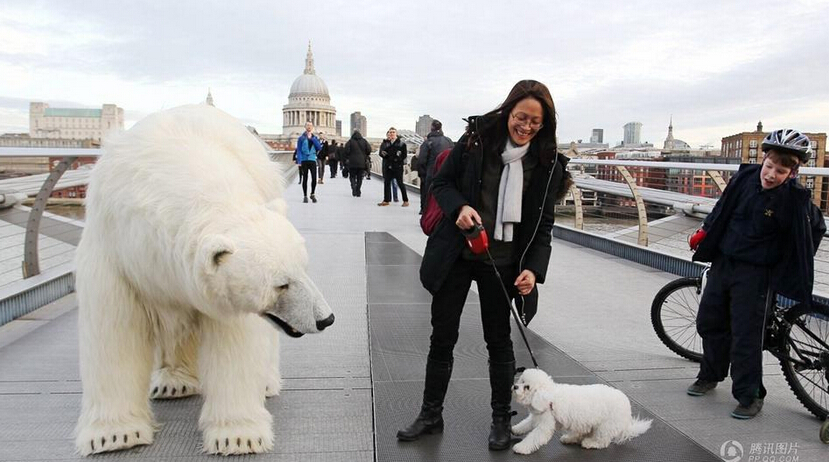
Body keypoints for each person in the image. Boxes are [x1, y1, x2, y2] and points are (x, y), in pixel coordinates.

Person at [396, 80, 573, 450]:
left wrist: (533, 270)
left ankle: (500, 419)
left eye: (535, 123)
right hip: (457, 254)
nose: (525, 127)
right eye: (521, 117)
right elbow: (440, 184)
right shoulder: (476, 140)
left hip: (504, 261)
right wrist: (459, 207)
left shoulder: (547, 163)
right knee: (442, 337)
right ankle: (431, 413)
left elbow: (543, 224)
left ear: (546, 125)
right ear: (508, 110)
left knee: (499, 342)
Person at [687, 129, 825, 419]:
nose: (771, 175)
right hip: (725, 262)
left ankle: (750, 396)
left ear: (793, 172)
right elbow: (722, 209)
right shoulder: (745, 178)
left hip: (756, 274)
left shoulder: (795, 200)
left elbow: (814, 230)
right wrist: (705, 231)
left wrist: (787, 266)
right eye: (770, 166)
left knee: (745, 336)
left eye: (781, 171)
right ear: (763, 160)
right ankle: (710, 374)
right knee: (709, 322)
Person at [417, 119, 454, 213]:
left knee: (427, 194)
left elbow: (422, 160)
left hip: (430, 173)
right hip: (446, 173)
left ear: (431, 128)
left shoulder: (428, 142)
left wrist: (422, 174)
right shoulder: (449, 141)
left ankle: (425, 211)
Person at [378, 127, 410, 207]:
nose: (391, 134)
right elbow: (382, 153)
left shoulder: (401, 144)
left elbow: (404, 155)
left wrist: (396, 158)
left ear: (396, 134)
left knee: (400, 183)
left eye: (393, 132)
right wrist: (384, 155)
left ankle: (405, 200)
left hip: (397, 167)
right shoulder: (386, 143)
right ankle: (386, 200)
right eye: (390, 132)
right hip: (388, 166)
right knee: (387, 183)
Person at [296, 122, 322, 203]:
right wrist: (299, 161)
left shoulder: (315, 138)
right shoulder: (301, 138)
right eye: (307, 125)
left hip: (312, 159)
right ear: (305, 127)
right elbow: (299, 150)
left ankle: (312, 193)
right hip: (304, 160)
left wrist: (313, 139)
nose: (309, 127)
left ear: (312, 127)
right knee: (305, 178)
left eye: (310, 125)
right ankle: (305, 196)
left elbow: (319, 147)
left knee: (314, 178)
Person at [344, 130, 371, 197]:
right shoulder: (364, 141)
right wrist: (365, 155)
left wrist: (349, 156)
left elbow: (346, 151)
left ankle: (353, 188)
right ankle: (358, 190)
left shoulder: (350, 141)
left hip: (352, 162)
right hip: (361, 162)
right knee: (359, 177)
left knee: (352, 176)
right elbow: (369, 150)